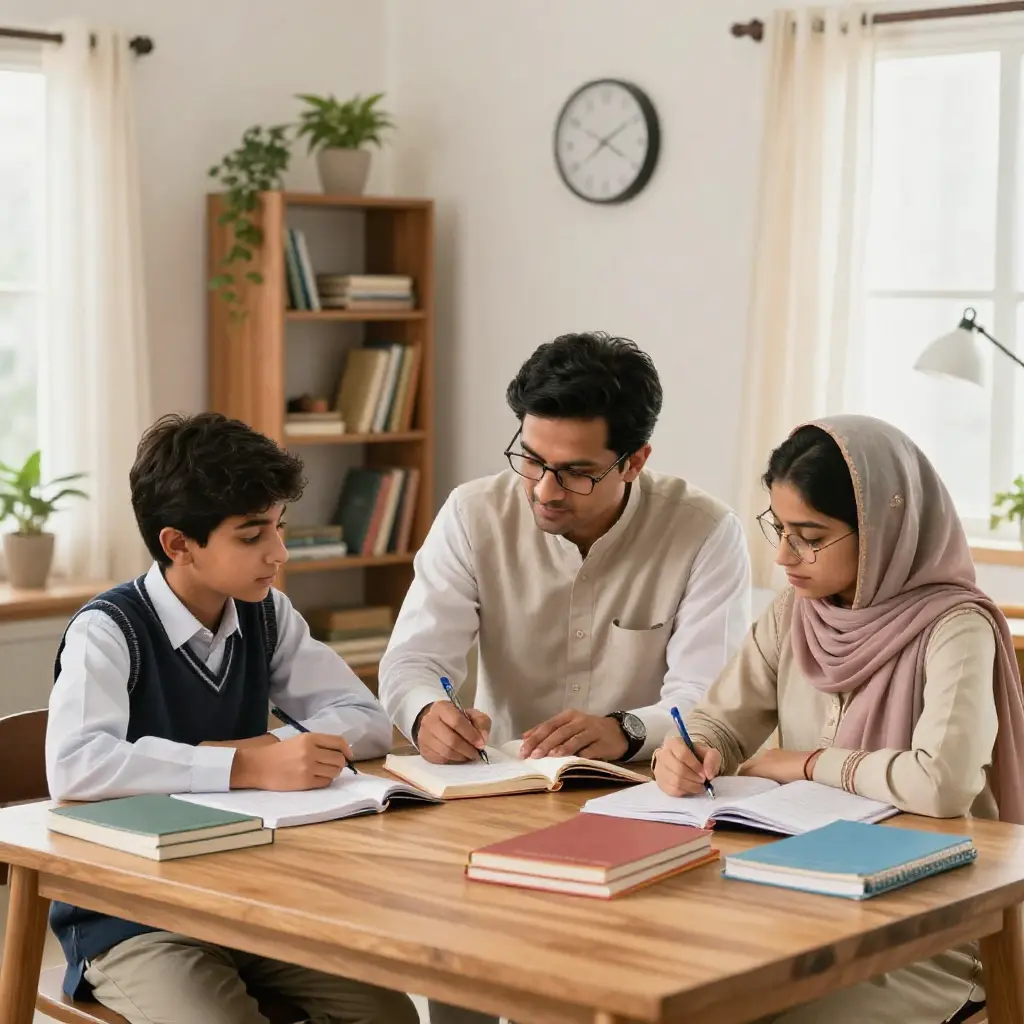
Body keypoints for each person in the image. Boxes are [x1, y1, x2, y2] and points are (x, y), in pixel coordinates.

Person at [379, 331, 750, 1024]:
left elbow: (711, 696)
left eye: (576, 471)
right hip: (493, 804)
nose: (544, 489)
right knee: (461, 991)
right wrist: (428, 713)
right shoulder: (472, 513)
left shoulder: (704, 531)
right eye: (531, 458)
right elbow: (411, 659)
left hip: (645, 814)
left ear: (636, 460)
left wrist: (624, 729)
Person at [46, 413, 417, 1024]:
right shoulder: (108, 630)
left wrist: (271, 745)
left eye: (279, 527)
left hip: (247, 898)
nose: (279, 553)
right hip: (131, 916)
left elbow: (366, 718)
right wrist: (245, 764)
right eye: (252, 536)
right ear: (178, 544)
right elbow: (76, 766)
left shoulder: (266, 614)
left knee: (389, 1013)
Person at [654, 414, 1024, 1024]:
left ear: (880, 532)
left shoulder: (956, 626)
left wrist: (806, 764)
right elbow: (722, 721)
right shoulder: (795, 613)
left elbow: (942, 784)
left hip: (928, 922)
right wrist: (691, 750)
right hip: (797, 897)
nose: (783, 557)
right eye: (779, 528)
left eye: (809, 534)